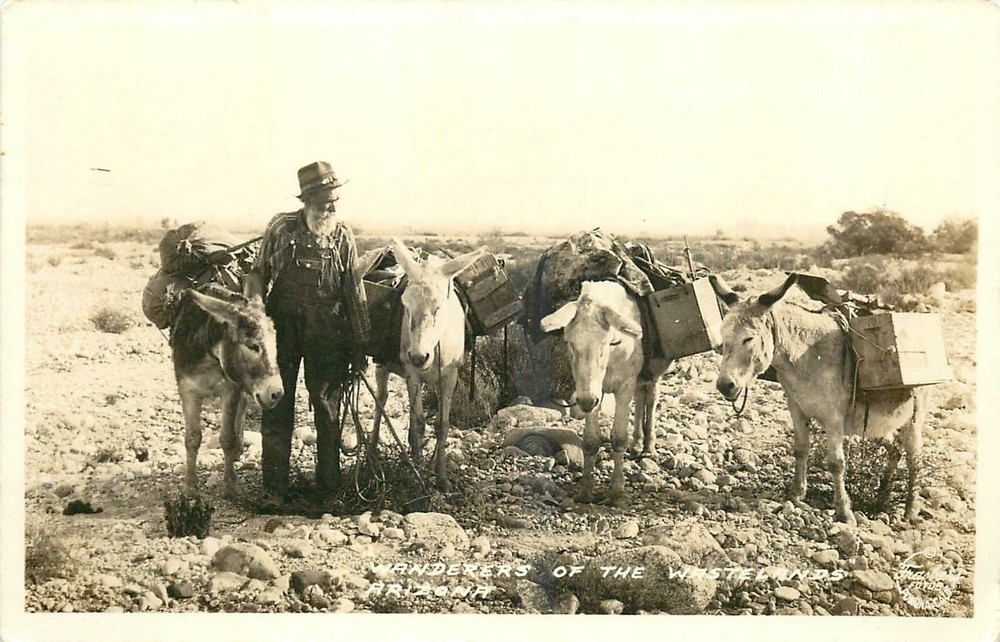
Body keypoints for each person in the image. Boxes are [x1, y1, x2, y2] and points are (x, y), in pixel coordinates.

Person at [245, 161, 370, 502]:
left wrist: (360, 344)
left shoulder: (343, 235)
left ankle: (328, 490)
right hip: (281, 331)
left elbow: (354, 293)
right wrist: (255, 307)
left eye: (335, 200)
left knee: (326, 409)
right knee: (276, 407)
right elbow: (256, 273)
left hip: (328, 333)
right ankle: (274, 490)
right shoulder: (281, 228)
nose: (331, 207)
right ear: (308, 199)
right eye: (326, 200)